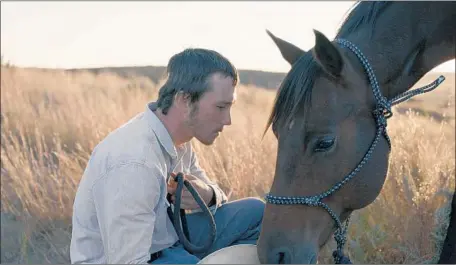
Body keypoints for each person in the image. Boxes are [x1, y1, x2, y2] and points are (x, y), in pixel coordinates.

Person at [70, 48, 265, 264]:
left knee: (258, 214)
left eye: (230, 107)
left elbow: (216, 197)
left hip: (167, 239)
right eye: (220, 107)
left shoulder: (180, 139)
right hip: (136, 258)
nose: (227, 120)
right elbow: (128, 261)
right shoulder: (135, 163)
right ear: (184, 100)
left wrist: (207, 194)